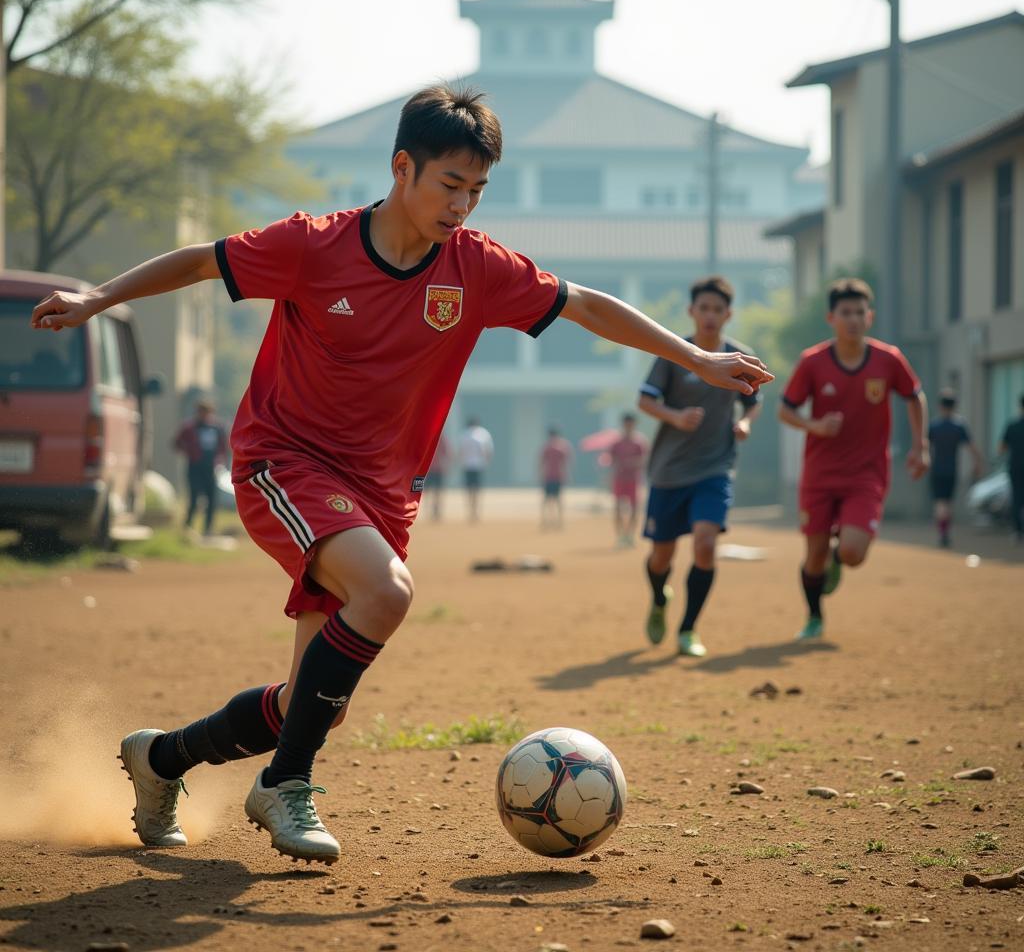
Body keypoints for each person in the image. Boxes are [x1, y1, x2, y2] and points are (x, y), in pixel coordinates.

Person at [31, 83, 771, 865]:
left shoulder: (476, 268)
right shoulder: (315, 244)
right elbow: (205, 261)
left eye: (478, 190)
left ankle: (161, 759)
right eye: (450, 185)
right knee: (387, 594)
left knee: (310, 704)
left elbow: (582, 304)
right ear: (402, 168)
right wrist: (101, 296)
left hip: (381, 494)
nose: (463, 205)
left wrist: (693, 357)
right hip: (284, 463)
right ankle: (286, 785)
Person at [778, 278, 928, 641]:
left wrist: (920, 446)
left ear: (870, 316)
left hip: (866, 473)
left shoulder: (888, 359)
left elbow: (914, 396)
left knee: (852, 553)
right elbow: (785, 411)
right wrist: (815, 425)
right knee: (813, 557)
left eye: (860, 312)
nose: (853, 319)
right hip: (819, 474)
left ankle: (838, 555)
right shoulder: (812, 362)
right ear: (831, 317)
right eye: (846, 312)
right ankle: (814, 617)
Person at [638, 276, 761, 657]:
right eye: (703, 308)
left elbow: (754, 400)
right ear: (692, 312)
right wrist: (675, 417)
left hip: (714, 467)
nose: (710, 316)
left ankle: (689, 629)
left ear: (728, 314)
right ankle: (660, 598)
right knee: (661, 557)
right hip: (669, 471)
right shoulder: (674, 353)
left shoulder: (739, 357)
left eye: (717, 309)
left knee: (706, 546)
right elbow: (645, 400)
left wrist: (744, 422)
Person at [927, 389, 982, 547]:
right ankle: (946, 532)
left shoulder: (934, 425)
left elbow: (925, 447)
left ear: (940, 406)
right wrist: (978, 462)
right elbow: (972, 447)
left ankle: (942, 532)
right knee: (948, 502)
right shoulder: (959, 425)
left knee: (939, 502)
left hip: (937, 469)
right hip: (952, 469)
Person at [173, 397, 229, 536]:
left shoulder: (217, 428)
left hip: (211, 468)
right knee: (193, 498)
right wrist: (190, 453)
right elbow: (177, 443)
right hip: (195, 467)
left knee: (211, 499)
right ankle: (188, 528)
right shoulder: (189, 427)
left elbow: (224, 446)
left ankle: (208, 529)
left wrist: (220, 461)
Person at [609, 414, 648, 547]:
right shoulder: (616, 442)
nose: (628, 426)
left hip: (634, 480)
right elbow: (611, 459)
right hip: (619, 479)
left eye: (630, 423)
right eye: (626, 423)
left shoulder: (639, 442)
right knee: (618, 508)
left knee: (634, 509)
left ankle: (630, 535)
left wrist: (633, 463)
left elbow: (644, 459)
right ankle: (620, 536)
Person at [458, 417, 493, 522]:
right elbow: (488, 451)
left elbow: (460, 451)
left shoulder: (464, 434)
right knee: (477, 490)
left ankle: (471, 511)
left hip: (467, 465)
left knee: (469, 490)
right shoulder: (483, 434)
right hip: (478, 465)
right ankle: (476, 511)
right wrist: (487, 462)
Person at [1000, 394, 1024, 542]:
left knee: (1016, 498)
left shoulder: (1012, 426)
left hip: (1015, 466)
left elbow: (1001, 448)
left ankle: (1017, 531)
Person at [539, 426, 573, 530]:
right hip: (551, 477)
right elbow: (541, 462)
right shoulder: (550, 448)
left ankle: (556, 521)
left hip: (555, 477)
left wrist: (567, 474)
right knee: (549, 500)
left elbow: (566, 463)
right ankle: (549, 521)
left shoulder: (558, 447)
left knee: (555, 500)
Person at [424, 432, 451, 521]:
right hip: (434, 469)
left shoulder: (428, 437)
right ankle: (433, 511)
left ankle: (432, 511)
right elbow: (447, 453)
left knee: (432, 492)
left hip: (430, 469)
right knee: (436, 492)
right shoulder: (441, 438)